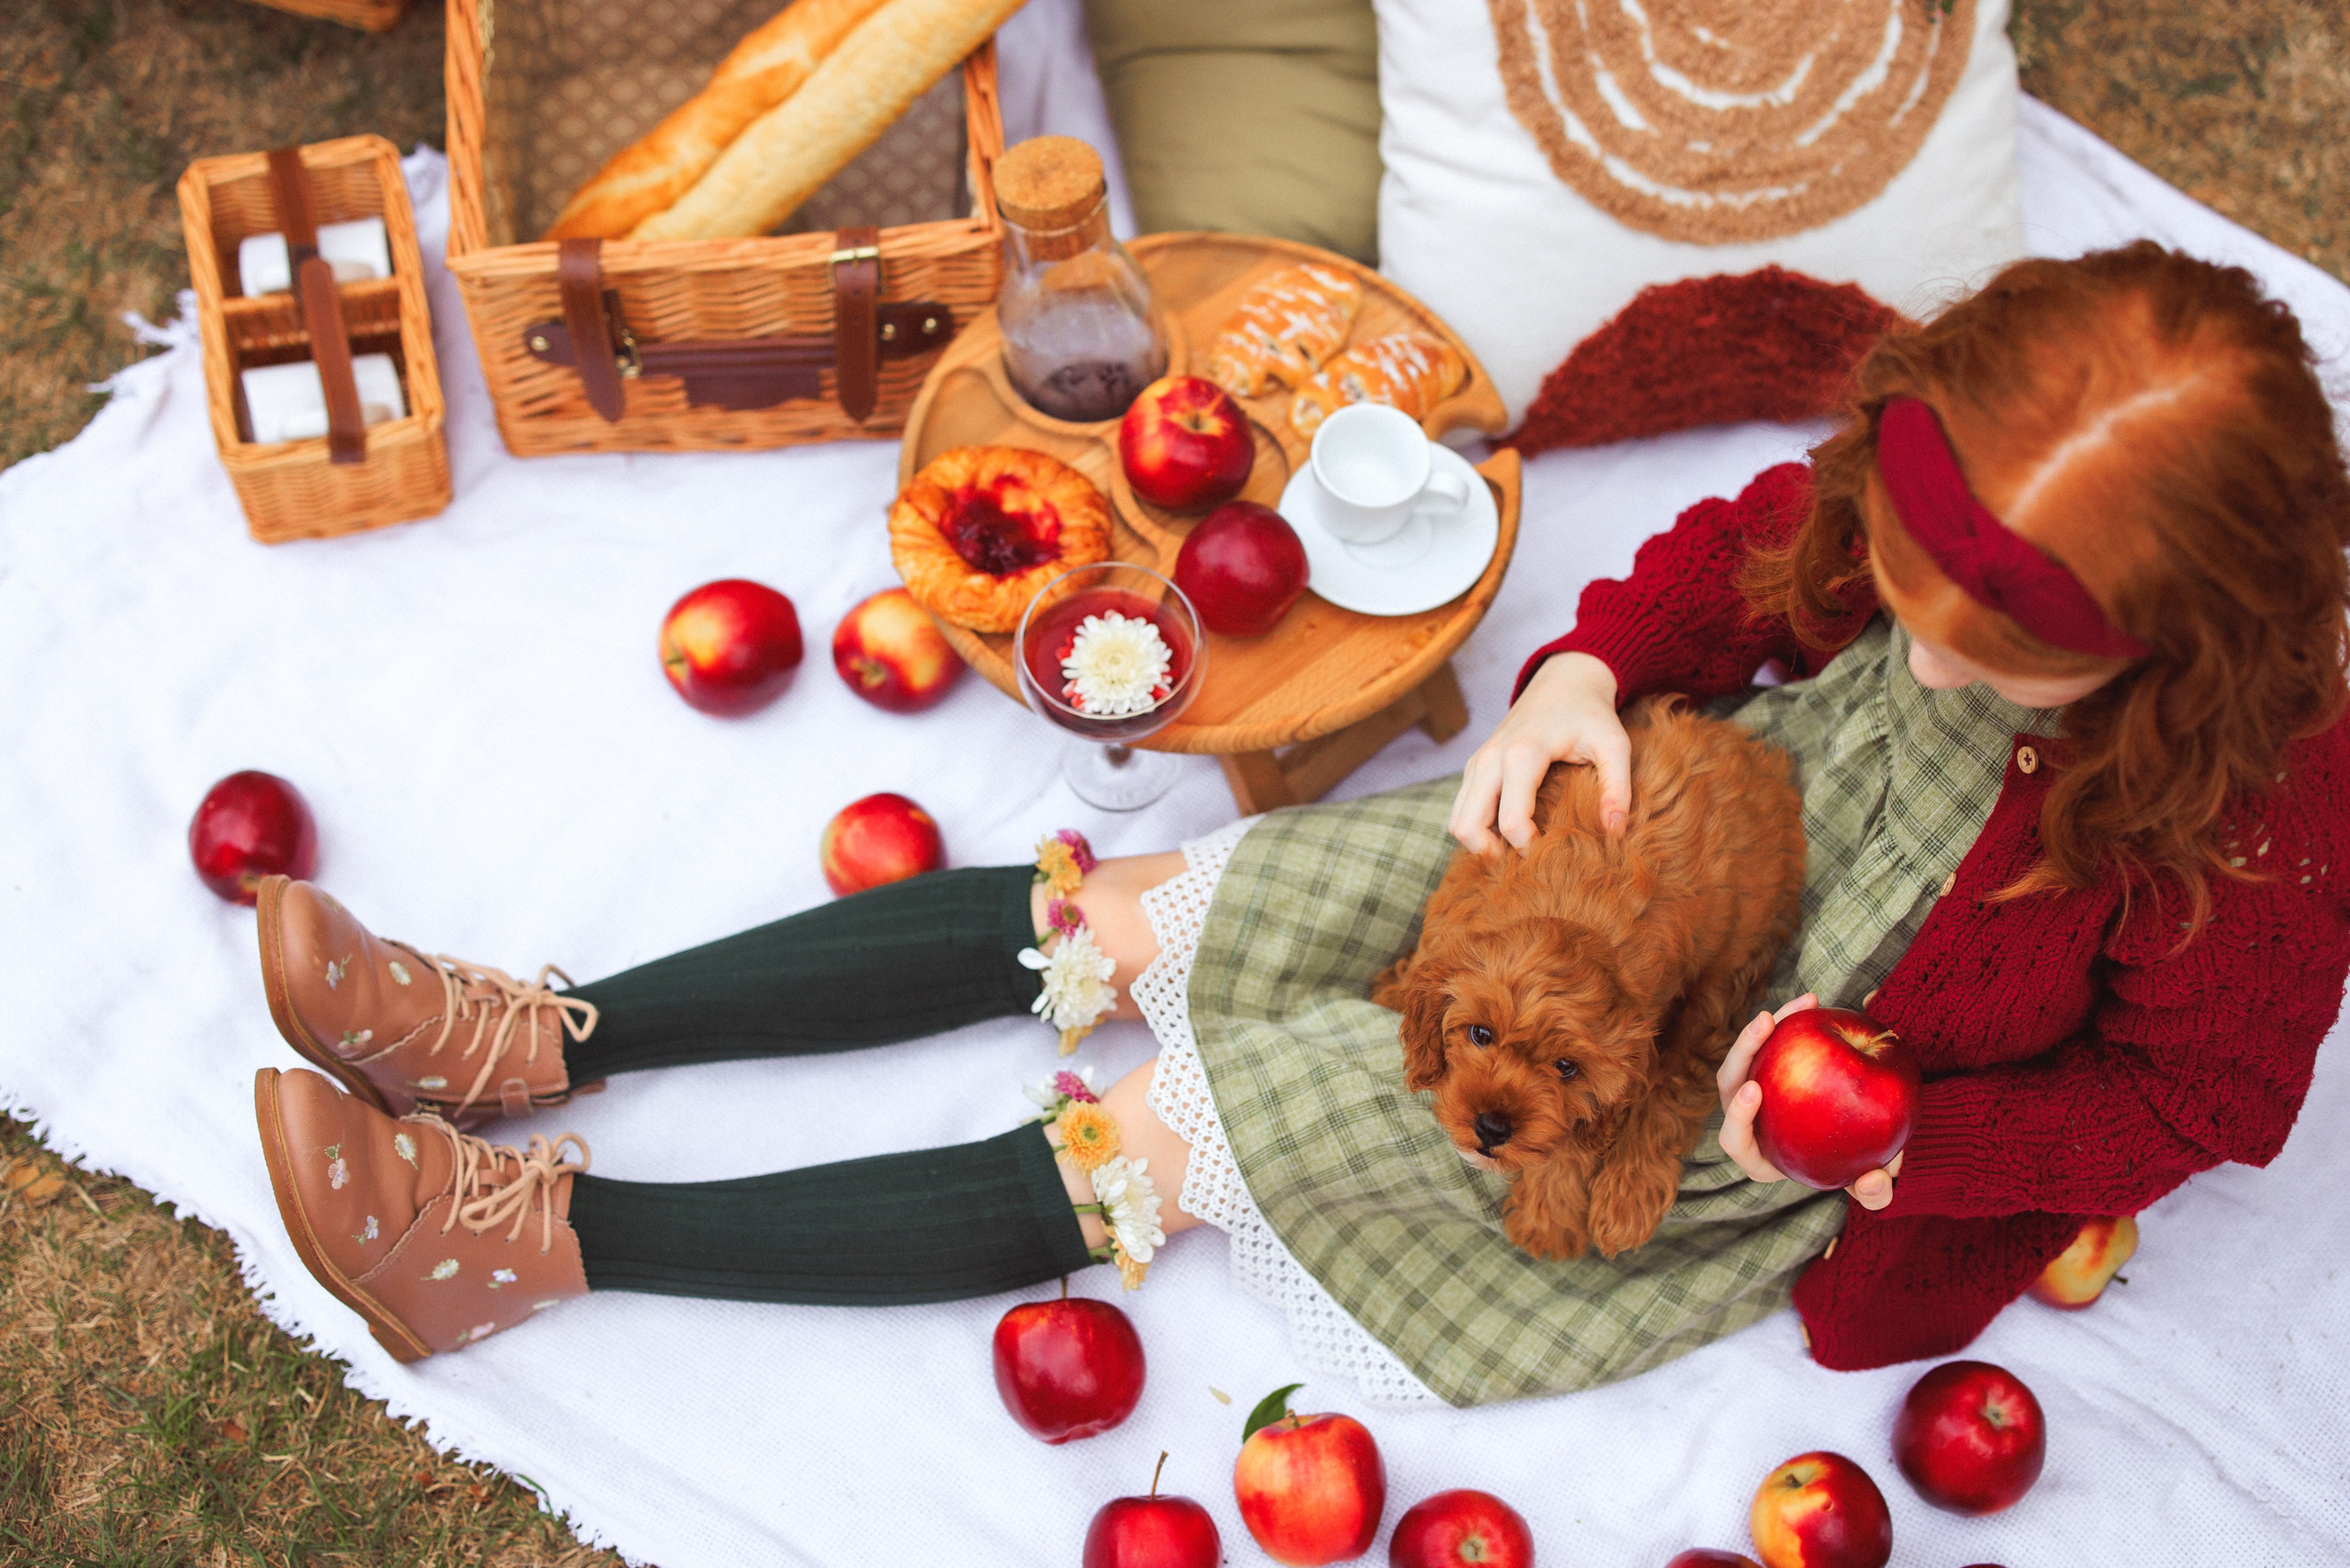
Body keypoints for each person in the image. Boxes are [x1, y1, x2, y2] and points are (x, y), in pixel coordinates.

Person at [251, 243, 2350, 1406]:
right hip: (1684, 837)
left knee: (1198, 1127)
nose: (1922, 644)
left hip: (1753, 1088)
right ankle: (544, 1035)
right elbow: (1741, 560)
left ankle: (524, 1245)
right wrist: (1581, 674)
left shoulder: (2262, 818)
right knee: (1151, 905)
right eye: (1901, 583)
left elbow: (2202, 1097)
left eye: (1999, 661)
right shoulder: (1903, 527)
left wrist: (1911, 1145)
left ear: (2186, 642)